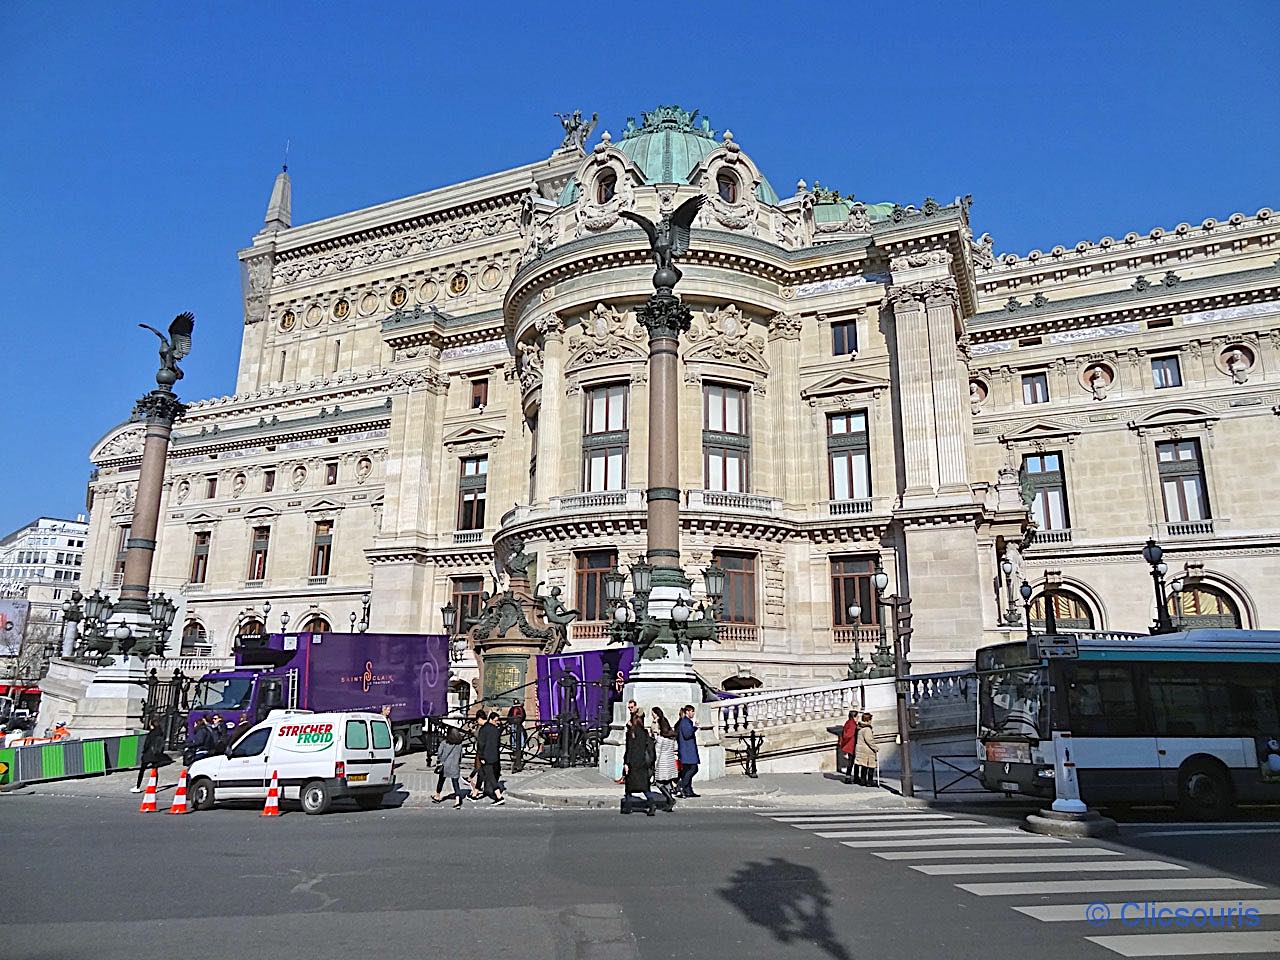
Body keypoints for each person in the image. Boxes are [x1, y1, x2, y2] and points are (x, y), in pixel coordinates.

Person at [622, 711, 656, 816]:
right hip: (642, 762)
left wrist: (626, 763)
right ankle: (651, 804)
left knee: (629, 788)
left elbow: (629, 749)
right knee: (645, 787)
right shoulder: (645, 733)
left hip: (633, 762)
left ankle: (628, 807)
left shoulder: (631, 733)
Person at [431, 726, 467, 808]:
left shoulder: (444, 743)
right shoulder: (460, 744)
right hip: (455, 765)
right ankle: (457, 800)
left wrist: (439, 761)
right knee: (455, 783)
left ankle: (437, 795)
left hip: (445, 766)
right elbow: (461, 755)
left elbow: (439, 753)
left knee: (441, 780)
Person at [475, 710, 506, 804]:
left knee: (490, 777)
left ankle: (499, 797)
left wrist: (481, 756)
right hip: (494, 756)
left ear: (479, 719)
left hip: (486, 756)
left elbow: (481, 744)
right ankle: (474, 794)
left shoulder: (483, 729)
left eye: (477, 720)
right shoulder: (495, 729)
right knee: (481, 773)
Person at [132, 719, 169, 793]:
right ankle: (154, 787)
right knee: (155, 770)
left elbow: (147, 744)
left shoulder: (151, 733)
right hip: (156, 755)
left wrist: (144, 751)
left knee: (142, 771)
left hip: (148, 754)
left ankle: (138, 786)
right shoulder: (161, 733)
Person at [651, 707, 679, 805]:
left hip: (662, 763)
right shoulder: (671, 738)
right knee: (667, 782)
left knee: (659, 783)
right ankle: (669, 802)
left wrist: (654, 765)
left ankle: (669, 798)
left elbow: (657, 753)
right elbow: (675, 748)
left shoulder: (660, 740)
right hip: (670, 762)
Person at [675, 704, 701, 798]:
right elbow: (687, 734)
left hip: (687, 750)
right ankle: (682, 785)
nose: (693, 713)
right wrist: (694, 728)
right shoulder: (685, 722)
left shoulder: (686, 721)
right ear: (687, 712)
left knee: (687, 770)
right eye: (692, 711)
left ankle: (688, 790)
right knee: (693, 768)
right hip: (687, 750)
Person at [854, 712, 879, 786]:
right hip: (867, 750)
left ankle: (863, 780)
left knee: (864, 766)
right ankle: (870, 781)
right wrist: (875, 748)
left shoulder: (860, 728)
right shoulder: (867, 729)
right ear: (868, 720)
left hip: (861, 749)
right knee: (871, 765)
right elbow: (869, 740)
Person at [838, 710, 859, 785]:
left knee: (851, 761)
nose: (858, 718)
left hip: (849, 745)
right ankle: (850, 777)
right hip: (852, 745)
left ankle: (850, 777)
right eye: (857, 716)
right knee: (852, 762)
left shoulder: (848, 722)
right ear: (854, 717)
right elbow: (849, 734)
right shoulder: (852, 724)